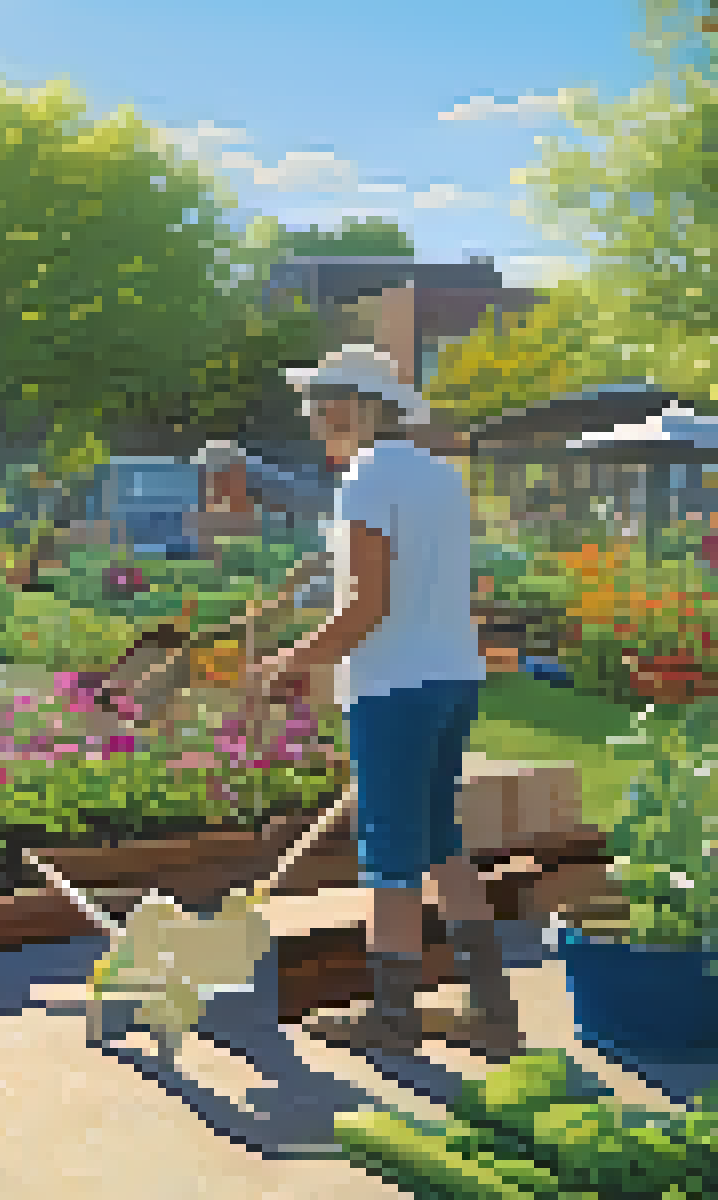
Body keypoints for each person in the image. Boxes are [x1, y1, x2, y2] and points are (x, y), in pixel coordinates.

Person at [252, 344, 514, 1060]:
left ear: (353, 405)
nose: (311, 417)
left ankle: (394, 1017)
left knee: (390, 856)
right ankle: (492, 1009)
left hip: (394, 685)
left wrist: (292, 660)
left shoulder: (367, 477)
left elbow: (370, 605)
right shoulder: (438, 476)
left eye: (318, 403)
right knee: (440, 841)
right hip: (453, 676)